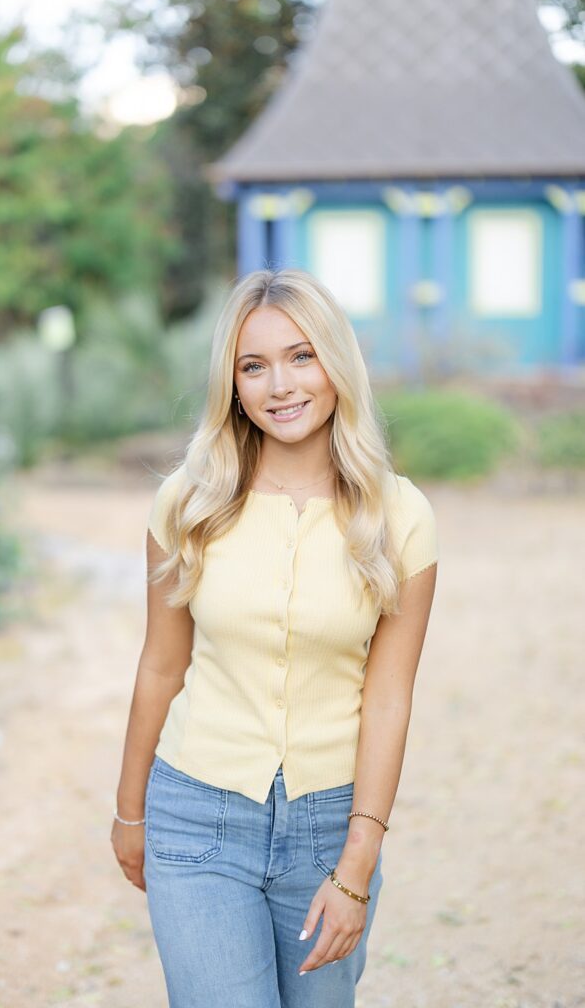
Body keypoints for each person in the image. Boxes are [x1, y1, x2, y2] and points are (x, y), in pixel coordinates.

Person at [111, 267, 438, 1008]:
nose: (279, 385)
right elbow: (160, 667)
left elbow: (387, 697)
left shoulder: (400, 516)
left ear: (335, 364)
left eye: (301, 356)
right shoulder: (187, 504)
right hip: (196, 815)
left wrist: (356, 863)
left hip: (328, 829)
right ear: (231, 385)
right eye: (252, 366)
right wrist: (129, 812)